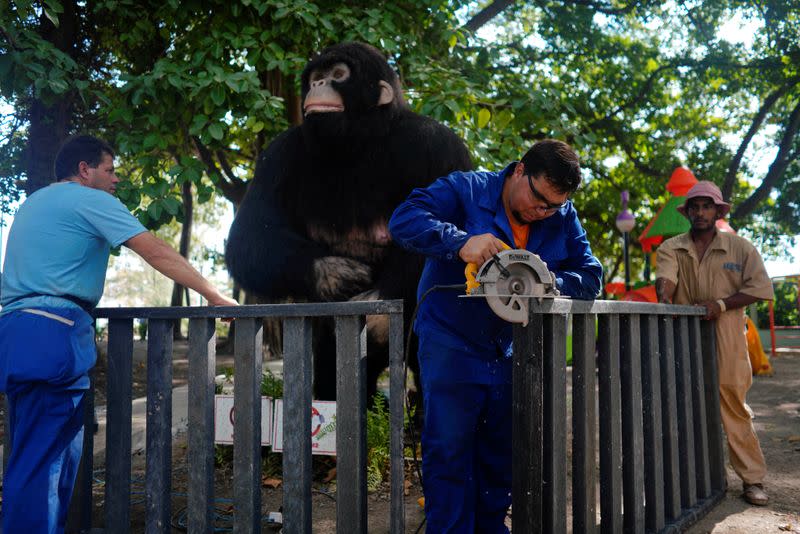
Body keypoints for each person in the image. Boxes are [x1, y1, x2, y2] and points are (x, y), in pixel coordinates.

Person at [0, 135, 238, 532]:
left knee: (33, 452)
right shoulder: (90, 200)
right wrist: (212, 294)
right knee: (45, 462)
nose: (115, 181)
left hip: (14, 333)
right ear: (84, 170)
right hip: (54, 336)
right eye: (109, 170)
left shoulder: (32, 204)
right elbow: (155, 251)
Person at [388, 139, 602, 533]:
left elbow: (591, 275)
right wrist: (460, 242)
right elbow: (403, 219)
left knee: (500, 455)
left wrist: (549, 280)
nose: (544, 212)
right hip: (451, 340)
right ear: (519, 170)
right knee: (449, 450)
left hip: (512, 349)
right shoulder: (465, 189)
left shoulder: (561, 213)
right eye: (539, 199)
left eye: (554, 206)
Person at [655, 180, 774, 507]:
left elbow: (761, 289)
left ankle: (752, 479)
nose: (700, 212)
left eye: (707, 206)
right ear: (688, 212)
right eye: (695, 207)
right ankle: (695, 480)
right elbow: (665, 280)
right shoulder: (671, 247)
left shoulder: (741, 248)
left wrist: (719, 305)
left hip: (729, 336)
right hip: (683, 336)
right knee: (684, 408)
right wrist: (664, 295)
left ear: (718, 211)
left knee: (734, 407)